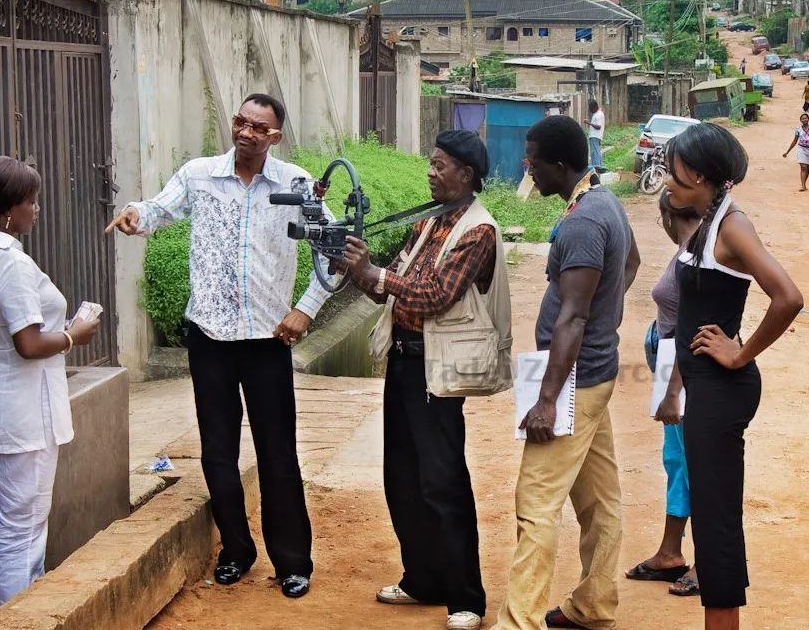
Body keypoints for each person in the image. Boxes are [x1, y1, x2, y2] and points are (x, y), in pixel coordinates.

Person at [105, 94, 327, 599]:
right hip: (209, 336)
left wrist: (306, 308)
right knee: (218, 452)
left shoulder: (296, 184)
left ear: (275, 137)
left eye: (258, 127)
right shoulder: (199, 174)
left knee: (277, 453)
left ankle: (293, 562)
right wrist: (135, 213)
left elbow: (332, 250)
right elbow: (159, 209)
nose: (245, 132)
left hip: (268, 339)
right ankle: (236, 550)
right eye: (240, 122)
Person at [339, 130, 512, 630]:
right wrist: (355, 270)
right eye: (431, 164)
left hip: (438, 369)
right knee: (403, 478)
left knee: (443, 482)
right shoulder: (429, 221)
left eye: (440, 165)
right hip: (405, 360)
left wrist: (374, 273)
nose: (431, 173)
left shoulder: (478, 230)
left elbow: (434, 296)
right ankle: (422, 579)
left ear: (467, 174)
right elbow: (391, 289)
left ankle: (465, 598)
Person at [492, 115, 640, 630]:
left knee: (536, 502)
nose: (527, 166)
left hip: (574, 382)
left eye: (533, 159)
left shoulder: (582, 223)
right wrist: (605, 313)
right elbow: (631, 263)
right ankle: (594, 605)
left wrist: (548, 399)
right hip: (593, 374)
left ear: (559, 164)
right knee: (600, 499)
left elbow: (573, 317)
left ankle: (519, 622)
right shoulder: (604, 201)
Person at [657, 124, 802, 630]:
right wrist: (676, 385)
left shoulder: (733, 225)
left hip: (723, 390)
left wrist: (740, 355)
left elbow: (789, 297)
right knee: (711, 514)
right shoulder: (707, 220)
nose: (666, 181)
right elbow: (690, 314)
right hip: (704, 387)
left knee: (715, 521)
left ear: (700, 175)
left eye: (673, 170)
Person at [0, 156, 101, 612]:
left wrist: (3, 336)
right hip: (23, 406)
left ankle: (21, 609)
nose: (36, 209)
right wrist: (75, 334)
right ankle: (13, 617)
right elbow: (29, 344)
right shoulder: (11, 263)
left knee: (18, 519)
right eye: (30, 201)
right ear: (7, 210)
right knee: (22, 525)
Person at [625, 190, 701, 598]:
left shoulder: (699, 255)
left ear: (669, 216)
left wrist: (674, 389)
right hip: (672, 366)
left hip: (684, 371)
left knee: (698, 464)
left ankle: (708, 560)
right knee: (677, 460)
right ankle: (671, 552)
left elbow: (693, 327)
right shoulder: (688, 251)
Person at [783, 112, 809, 191]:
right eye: (802, 119)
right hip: (801, 149)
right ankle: (803, 186)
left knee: (808, 169)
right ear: (800, 120)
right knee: (803, 167)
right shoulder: (798, 129)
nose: (804, 120)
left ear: (808, 119)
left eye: (806, 118)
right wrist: (787, 152)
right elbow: (794, 141)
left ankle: (804, 183)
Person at [585, 100, 605, 172]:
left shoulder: (598, 115)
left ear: (595, 107)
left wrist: (588, 123)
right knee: (597, 151)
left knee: (594, 152)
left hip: (595, 136)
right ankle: (599, 166)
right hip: (595, 135)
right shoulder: (598, 113)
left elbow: (598, 126)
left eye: (591, 108)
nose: (590, 110)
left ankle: (597, 166)